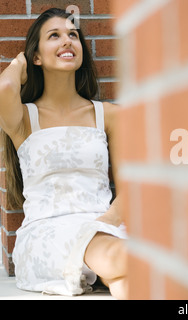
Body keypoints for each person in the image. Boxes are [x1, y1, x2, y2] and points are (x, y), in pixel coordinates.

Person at [0, 8, 128, 299]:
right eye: (54, 36)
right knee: (128, 259)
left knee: (123, 282)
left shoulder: (108, 115)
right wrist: (20, 64)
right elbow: (5, 87)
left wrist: (103, 223)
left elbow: (129, 187)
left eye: (73, 35)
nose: (67, 41)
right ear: (36, 56)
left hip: (104, 226)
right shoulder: (23, 119)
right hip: (48, 235)